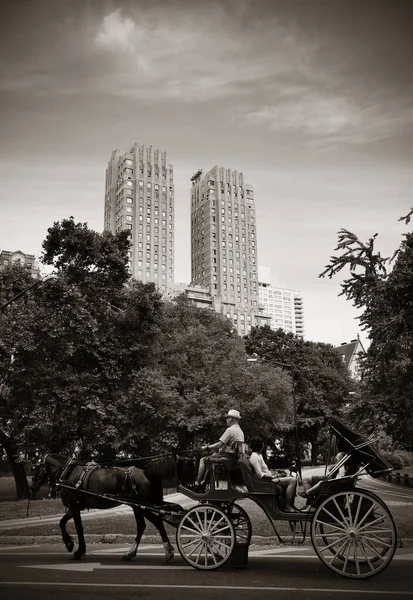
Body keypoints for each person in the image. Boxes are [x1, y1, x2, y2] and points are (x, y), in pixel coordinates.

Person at [195, 409, 244, 488]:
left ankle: (197, 483)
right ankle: (204, 481)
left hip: (227, 457)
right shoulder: (240, 431)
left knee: (202, 460)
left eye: (227, 418)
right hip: (234, 458)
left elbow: (219, 445)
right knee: (212, 457)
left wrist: (206, 447)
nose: (226, 420)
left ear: (231, 419)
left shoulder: (230, 430)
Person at [249, 437, 297, 512]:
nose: (263, 446)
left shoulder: (258, 455)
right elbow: (260, 475)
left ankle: (290, 505)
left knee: (289, 475)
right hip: (267, 481)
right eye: (262, 444)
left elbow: (264, 470)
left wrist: (274, 473)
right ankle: (287, 506)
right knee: (293, 480)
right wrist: (273, 476)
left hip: (270, 478)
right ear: (259, 446)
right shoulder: (254, 457)